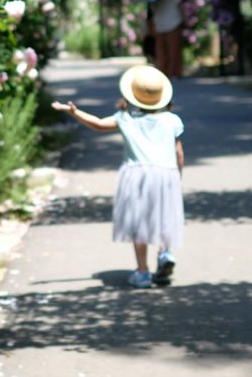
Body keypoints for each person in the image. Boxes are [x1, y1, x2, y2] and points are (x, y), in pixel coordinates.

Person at [52, 65, 185, 288]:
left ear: (132, 94)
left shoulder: (125, 118)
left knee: (139, 223)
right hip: (166, 173)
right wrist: (177, 176)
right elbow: (178, 153)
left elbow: (98, 124)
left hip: (136, 174)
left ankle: (142, 272)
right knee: (164, 216)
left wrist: (74, 112)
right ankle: (164, 253)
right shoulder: (172, 120)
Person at [150, 0, 191, 79]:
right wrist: (185, 18)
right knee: (174, 49)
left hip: (160, 22)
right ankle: (174, 73)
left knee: (162, 50)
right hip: (173, 21)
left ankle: (163, 72)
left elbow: (152, 8)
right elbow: (179, 3)